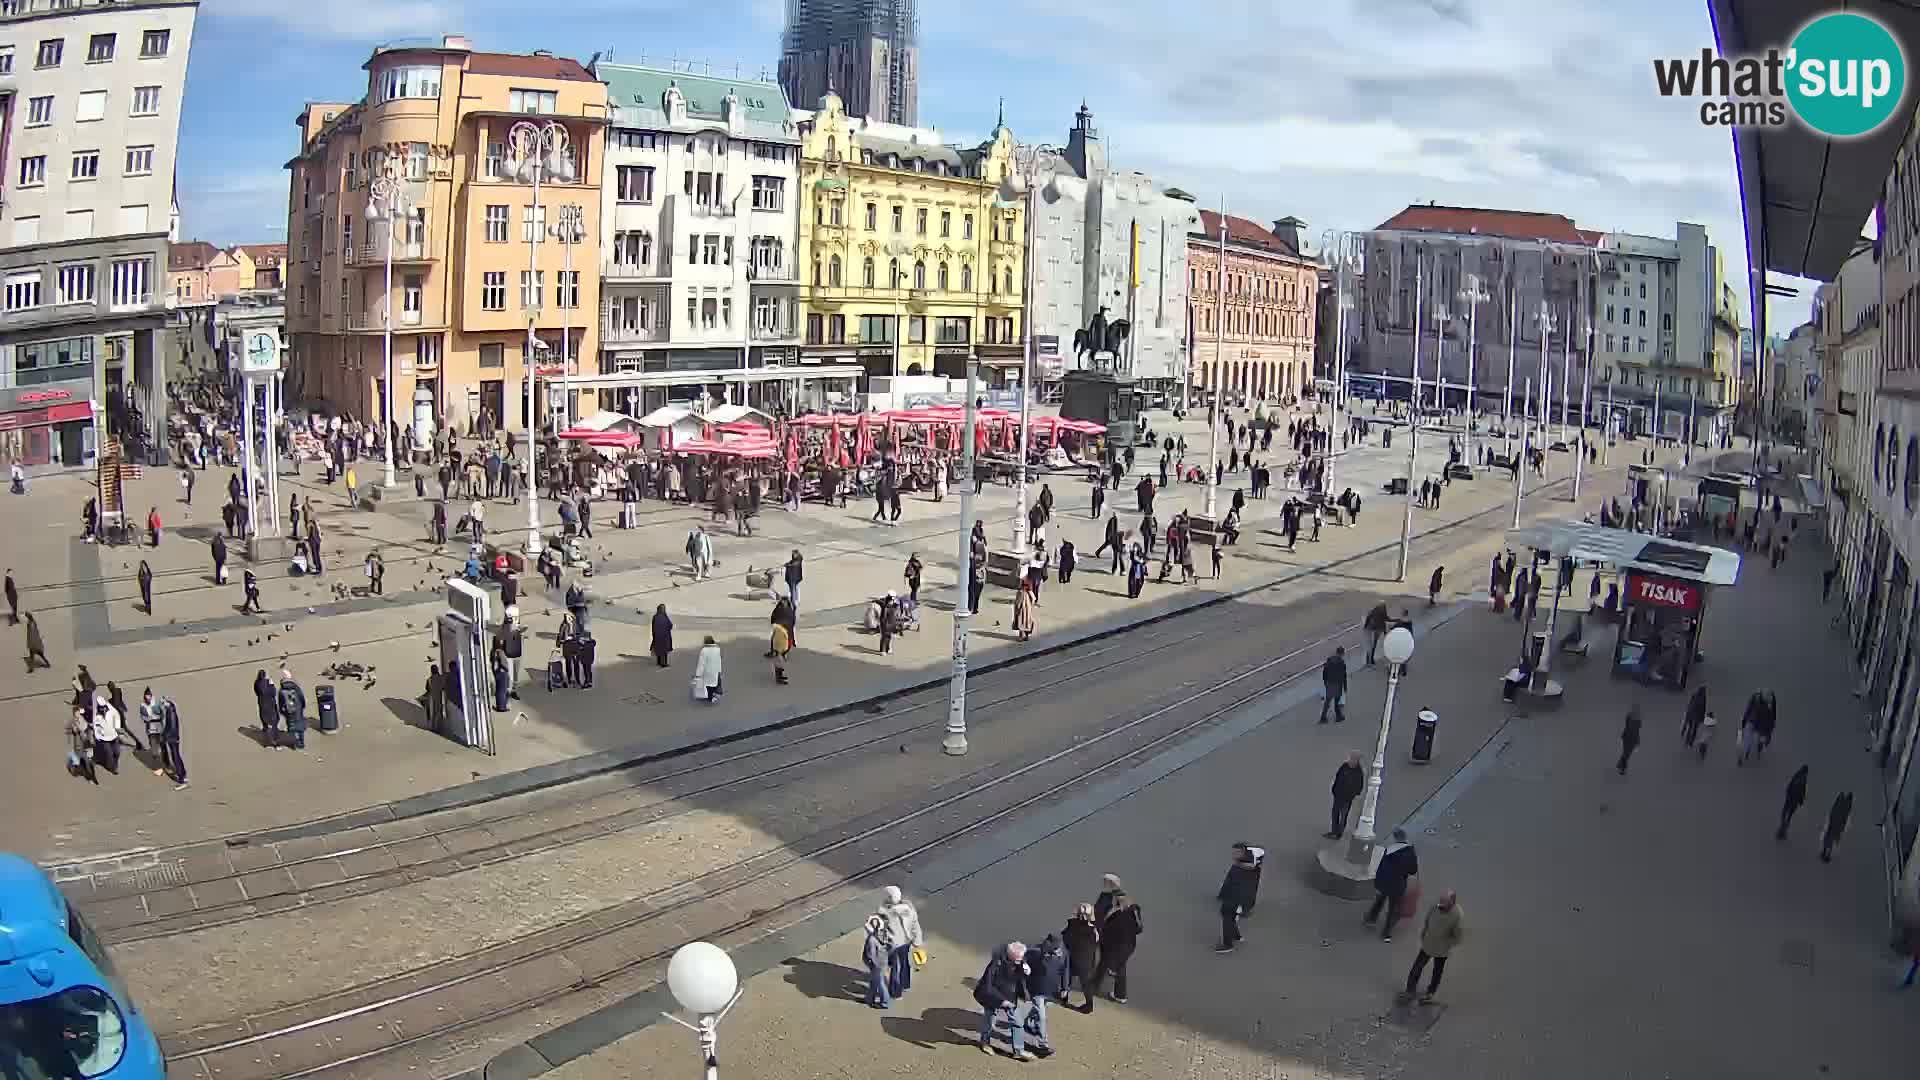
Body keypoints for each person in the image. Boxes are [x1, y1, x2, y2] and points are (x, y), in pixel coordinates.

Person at [1403, 890, 1465, 1005]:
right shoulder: (1435, 907)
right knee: (1417, 967)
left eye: (1443, 902)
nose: (1439, 904)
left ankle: (1430, 993)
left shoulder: (1457, 915)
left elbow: (1458, 937)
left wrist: (1445, 943)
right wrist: (1424, 931)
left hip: (1441, 950)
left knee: (1437, 971)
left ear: (1452, 902)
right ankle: (1410, 990)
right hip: (1428, 943)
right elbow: (1428, 919)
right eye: (1440, 901)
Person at [974, 942, 1034, 1060]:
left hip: (1010, 997)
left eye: (1022, 958)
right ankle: (985, 1043)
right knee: (989, 1020)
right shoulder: (996, 964)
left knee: (1017, 1022)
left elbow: (1019, 977)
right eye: (1018, 959)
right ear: (1010, 955)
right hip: (993, 997)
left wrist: (1026, 972)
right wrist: (1001, 1001)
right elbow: (987, 985)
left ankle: (1018, 1051)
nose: (1021, 960)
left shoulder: (1020, 961)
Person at [1364, 827, 1419, 941]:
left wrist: (1378, 881)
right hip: (1397, 885)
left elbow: (1382, 867)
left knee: (1379, 901)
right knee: (1393, 909)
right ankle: (1386, 933)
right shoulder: (1409, 853)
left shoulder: (1389, 850)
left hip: (1384, 882)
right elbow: (1413, 870)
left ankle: (1371, 919)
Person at [1090, 892, 1142, 1003]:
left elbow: (1107, 929)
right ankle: (1120, 995)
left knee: (1103, 965)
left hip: (1114, 947)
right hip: (1129, 946)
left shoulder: (1116, 914)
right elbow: (1138, 930)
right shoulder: (1134, 911)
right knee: (1121, 967)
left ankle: (1093, 988)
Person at [1215, 842, 1264, 953]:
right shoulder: (1245, 862)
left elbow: (1242, 881)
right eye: (1233, 852)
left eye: (1237, 852)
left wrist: (1242, 906)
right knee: (1229, 917)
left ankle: (1227, 944)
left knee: (1227, 917)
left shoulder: (1245, 867)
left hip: (1235, 898)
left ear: (1243, 852)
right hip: (1234, 896)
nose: (1234, 854)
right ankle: (1236, 936)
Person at [878, 885, 924, 1000]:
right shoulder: (909, 907)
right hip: (906, 941)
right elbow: (915, 925)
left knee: (895, 967)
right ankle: (905, 984)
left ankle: (895, 992)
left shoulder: (886, 912)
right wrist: (917, 941)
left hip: (894, 944)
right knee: (904, 963)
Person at [1061, 903, 1100, 1012]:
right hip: (1087, 960)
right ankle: (1089, 1005)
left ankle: (1064, 998)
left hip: (1073, 958)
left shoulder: (1072, 924)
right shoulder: (1093, 929)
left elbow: (1066, 939)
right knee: (1086, 984)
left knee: (1067, 979)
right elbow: (1096, 942)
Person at [862, 914, 895, 1009]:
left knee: (880, 984)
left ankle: (885, 1002)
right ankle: (869, 999)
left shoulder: (871, 939)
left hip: (876, 965)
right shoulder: (884, 934)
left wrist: (870, 962)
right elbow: (891, 946)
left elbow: (871, 954)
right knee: (873, 982)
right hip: (882, 961)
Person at [1329, 751, 1365, 839]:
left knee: (1343, 816)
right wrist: (1334, 789)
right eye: (1350, 758)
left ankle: (1339, 834)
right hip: (1338, 795)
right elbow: (1338, 777)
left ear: (1357, 761)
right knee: (1335, 813)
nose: (1350, 760)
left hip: (1347, 798)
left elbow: (1359, 786)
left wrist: (1352, 795)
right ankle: (1334, 831)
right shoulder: (1344, 766)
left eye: (1353, 759)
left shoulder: (1358, 772)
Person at [90, 692, 122, 774]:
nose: (103, 710)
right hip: (104, 738)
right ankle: (113, 768)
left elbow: (117, 716)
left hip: (114, 735)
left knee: (117, 752)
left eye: (104, 707)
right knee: (109, 753)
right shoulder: (96, 715)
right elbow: (95, 726)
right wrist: (98, 735)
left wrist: (117, 727)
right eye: (101, 708)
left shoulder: (111, 710)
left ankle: (113, 763)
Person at [278, 668, 308, 750]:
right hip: (298, 710)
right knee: (300, 727)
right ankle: (301, 743)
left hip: (289, 712)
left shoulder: (281, 690)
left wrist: (282, 712)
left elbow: (280, 703)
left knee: (292, 727)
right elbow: (302, 698)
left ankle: (295, 743)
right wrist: (302, 707)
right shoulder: (296, 687)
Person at [1778, 765, 1810, 840]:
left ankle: (1783, 826)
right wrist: (1801, 801)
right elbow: (1802, 792)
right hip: (1794, 801)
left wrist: (1788, 793)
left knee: (1785, 812)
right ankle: (1784, 828)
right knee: (1789, 815)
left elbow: (1790, 785)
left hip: (1789, 798)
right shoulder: (1803, 780)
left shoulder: (1797, 775)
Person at [1821, 790, 1854, 863]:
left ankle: (1824, 851)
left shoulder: (1840, 802)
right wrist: (1842, 826)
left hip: (1834, 822)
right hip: (1838, 825)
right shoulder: (1847, 805)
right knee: (1832, 839)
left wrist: (1831, 819)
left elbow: (1833, 810)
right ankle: (1827, 854)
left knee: (1828, 837)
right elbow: (1845, 816)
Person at [1319, 646, 1348, 723]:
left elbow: (1324, 672)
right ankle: (1338, 716)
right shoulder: (1342, 663)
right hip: (1337, 683)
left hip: (1329, 682)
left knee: (1327, 701)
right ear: (1342, 653)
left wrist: (1325, 682)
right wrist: (1345, 686)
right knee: (1337, 701)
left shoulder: (1329, 660)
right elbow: (1343, 676)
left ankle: (1323, 717)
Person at [692, 635, 723, 703]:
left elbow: (701, 663)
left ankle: (710, 697)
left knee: (708, 685)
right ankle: (713, 695)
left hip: (707, 670)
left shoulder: (704, 650)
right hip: (715, 669)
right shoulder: (717, 649)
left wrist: (698, 674)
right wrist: (720, 671)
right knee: (713, 683)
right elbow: (719, 660)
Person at [253, 669, 279, 747]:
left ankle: (265, 729)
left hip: (262, 703)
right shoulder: (268, 684)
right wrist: (271, 684)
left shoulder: (257, 683)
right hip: (270, 704)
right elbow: (273, 693)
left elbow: (256, 691)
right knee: (274, 721)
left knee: (264, 718)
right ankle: (274, 740)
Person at [1618, 704, 1642, 775]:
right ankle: (1621, 766)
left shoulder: (1634, 719)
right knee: (1626, 754)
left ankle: (1621, 766)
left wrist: (1637, 741)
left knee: (1626, 754)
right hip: (1629, 739)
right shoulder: (1633, 719)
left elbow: (1636, 730)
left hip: (1630, 739)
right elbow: (1632, 729)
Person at [1364, 602, 1390, 666]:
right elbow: (1386, 620)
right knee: (1373, 645)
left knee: (1370, 645)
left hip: (1372, 629)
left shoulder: (1374, 610)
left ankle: (1368, 660)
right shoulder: (1383, 612)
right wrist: (1385, 632)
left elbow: (1368, 617)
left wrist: (1365, 626)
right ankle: (1371, 660)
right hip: (1377, 630)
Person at [1013, 578, 1037, 642]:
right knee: (1027, 623)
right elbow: (1034, 599)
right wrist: (1031, 606)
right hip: (1028, 610)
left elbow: (1018, 602)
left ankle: (1020, 637)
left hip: (1021, 610)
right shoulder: (1030, 592)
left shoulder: (1021, 592)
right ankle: (1026, 636)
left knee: (1021, 623)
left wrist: (1017, 609)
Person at [770, 618, 792, 684]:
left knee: (780, 664)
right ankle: (779, 679)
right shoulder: (780, 631)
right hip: (779, 650)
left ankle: (780, 676)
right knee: (779, 664)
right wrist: (779, 651)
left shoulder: (781, 630)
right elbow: (777, 641)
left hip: (781, 649)